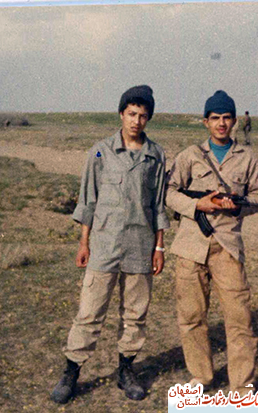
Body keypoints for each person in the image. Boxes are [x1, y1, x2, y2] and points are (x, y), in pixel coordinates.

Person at [51, 85, 170, 404]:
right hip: (104, 244)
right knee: (90, 312)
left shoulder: (156, 156)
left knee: (135, 314)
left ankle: (126, 371)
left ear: (148, 119)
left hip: (140, 246)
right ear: (121, 114)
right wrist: (84, 242)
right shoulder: (100, 152)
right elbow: (88, 200)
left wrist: (159, 247)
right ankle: (71, 372)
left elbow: (159, 205)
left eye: (143, 116)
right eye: (131, 114)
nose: (136, 121)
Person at [166, 90, 258, 396]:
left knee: (239, 319)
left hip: (228, 248)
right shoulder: (189, 156)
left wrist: (236, 207)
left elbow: (257, 197)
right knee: (192, 317)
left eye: (227, 118)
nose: (221, 123)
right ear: (206, 122)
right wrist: (197, 205)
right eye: (215, 118)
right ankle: (201, 376)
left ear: (234, 121)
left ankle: (242, 387)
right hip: (191, 247)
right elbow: (169, 192)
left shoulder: (246, 158)